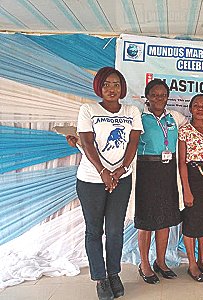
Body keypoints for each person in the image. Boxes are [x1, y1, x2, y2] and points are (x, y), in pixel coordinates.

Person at [76, 67, 143, 300]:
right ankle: (100, 278)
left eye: (115, 84)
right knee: (94, 231)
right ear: (99, 87)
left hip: (121, 179)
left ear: (122, 87)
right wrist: (103, 171)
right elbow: (87, 142)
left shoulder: (131, 110)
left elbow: (133, 142)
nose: (111, 89)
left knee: (115, 230)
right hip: (91, 180)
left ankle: (114, 273)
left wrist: (121, 170)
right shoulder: (88, 109)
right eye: (106, 84)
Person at [134, 79, 187, 284]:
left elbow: (192, 131)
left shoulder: (174, 117)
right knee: (146, 221)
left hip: (168, 171)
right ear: (147, 97)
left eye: (162, 95)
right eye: (154, 95)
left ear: (167, 97)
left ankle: (161, 261)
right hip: (146, 171)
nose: (159, 98)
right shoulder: (139, 116)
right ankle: (144, 264)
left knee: (164, 219)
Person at [178, 94, 203, 282]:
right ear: (191, 108)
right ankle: (192, 264)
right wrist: (186, 189)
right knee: (191, 223)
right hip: (192, 179)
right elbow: (181, 163)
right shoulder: (184, 130)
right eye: (196, 105)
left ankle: (202, 260)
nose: (200, 108)